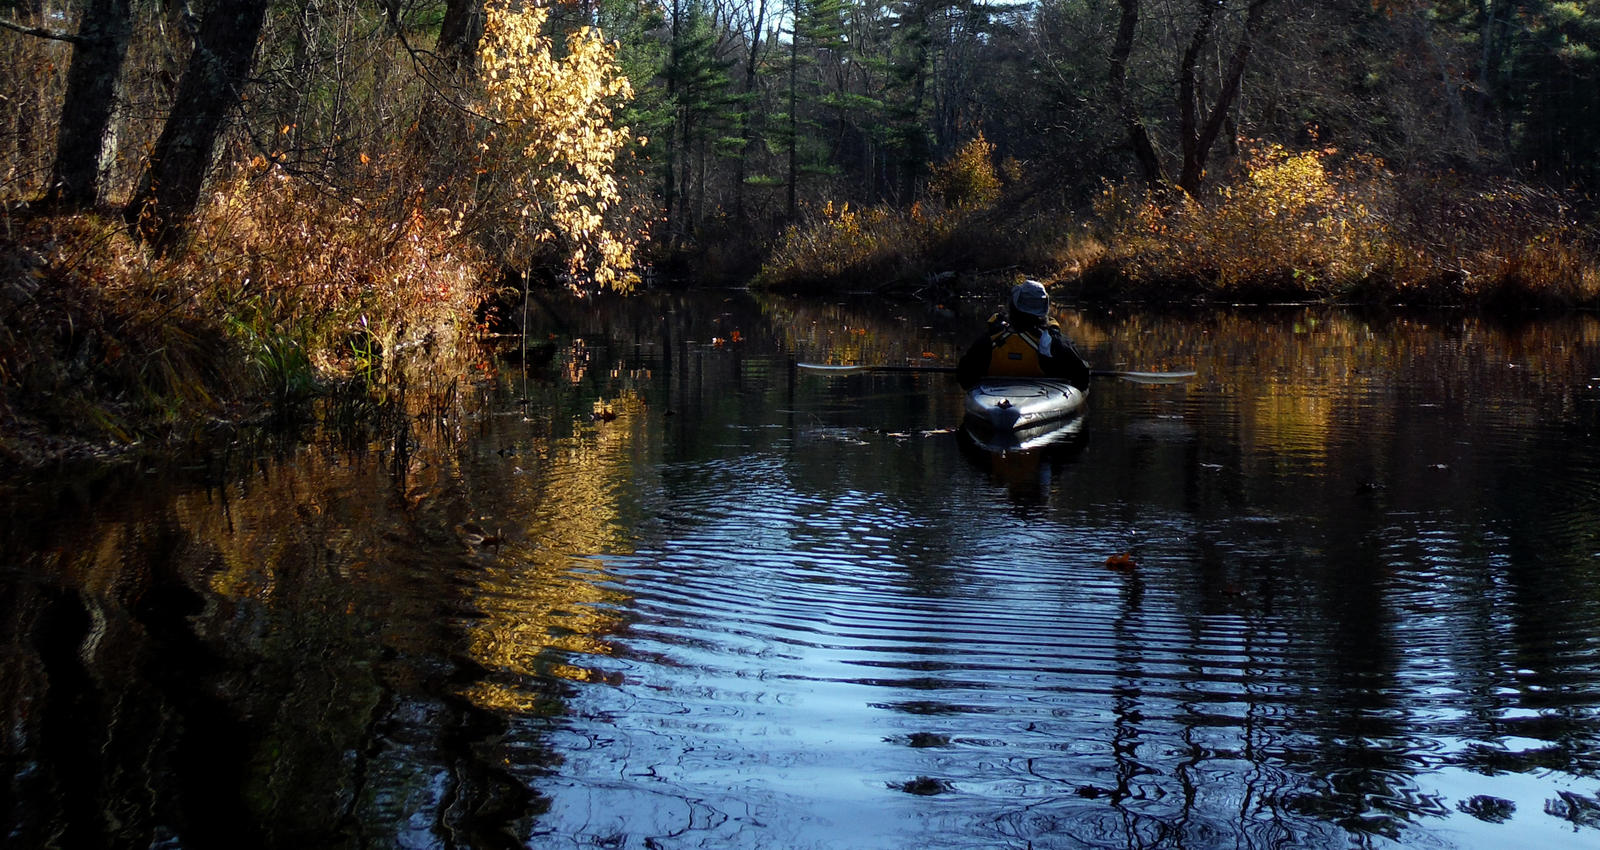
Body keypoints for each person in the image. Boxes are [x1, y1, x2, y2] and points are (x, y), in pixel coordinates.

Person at [956, 280, 1091, 390]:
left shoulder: (990, 340)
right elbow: (1082, 379)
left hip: (992, 394)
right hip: (1046, 393)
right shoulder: (1056, 342)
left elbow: (964, 377)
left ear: (1013, 306)